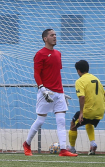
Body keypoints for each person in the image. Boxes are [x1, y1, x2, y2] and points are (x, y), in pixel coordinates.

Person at [23, 29, 77, 157]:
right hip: (45, 92)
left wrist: (61, 91)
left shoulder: (58, 53)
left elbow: (56, 74)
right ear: (45, 38)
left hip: (59, 93)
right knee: (41, 120)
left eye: (55, 35)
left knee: (61, 120)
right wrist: (42, 89)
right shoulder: (40, 54)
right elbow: (36, 74)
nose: (55, 37)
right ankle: (27, 144)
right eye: (52, 35)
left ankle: (63, 149)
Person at [67, 60, 105, 155]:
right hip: (100, 111)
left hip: (88, 111)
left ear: (78, 71)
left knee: (73, 124)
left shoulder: (80, 81)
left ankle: (71, 148)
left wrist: (81, 113)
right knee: (88, 122)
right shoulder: (96, 79)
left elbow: (82, 97)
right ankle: (93, 143)